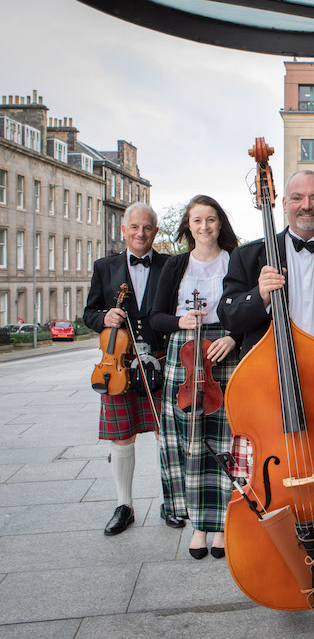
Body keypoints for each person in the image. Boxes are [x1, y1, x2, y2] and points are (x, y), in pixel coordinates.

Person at [218, 170, 314, 478]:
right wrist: (259, 295)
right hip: (267, 379)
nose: (306, 206)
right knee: (267, 467)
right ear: (285, 203)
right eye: (298, 198)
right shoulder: (248, 255)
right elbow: (229, 314)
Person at [84, 201, 186, 535]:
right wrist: (104, 317)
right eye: (134, 227)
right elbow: (89, 314)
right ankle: (124, 506)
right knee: (121, 436)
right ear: (124, 230)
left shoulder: (171, 265)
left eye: (147, 227)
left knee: (165, 434)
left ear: (155, 231)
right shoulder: (104, 267)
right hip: (119, 364)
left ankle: (171, 502)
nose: (140, 233)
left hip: (160, 359)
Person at [150, 195, 242, 559]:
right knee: (190, 441)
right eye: (197, 220)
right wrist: (181, 321)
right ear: (188, 226)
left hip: (224, 354)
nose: (205, 226)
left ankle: (222, 524)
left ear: (221, 223)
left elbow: (252, 310)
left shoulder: (236, 260)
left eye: (211, 219)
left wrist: (234, 338)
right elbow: (155, 318)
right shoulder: (176, 265)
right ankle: (199, 525)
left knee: (224, 440)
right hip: (185, 356)